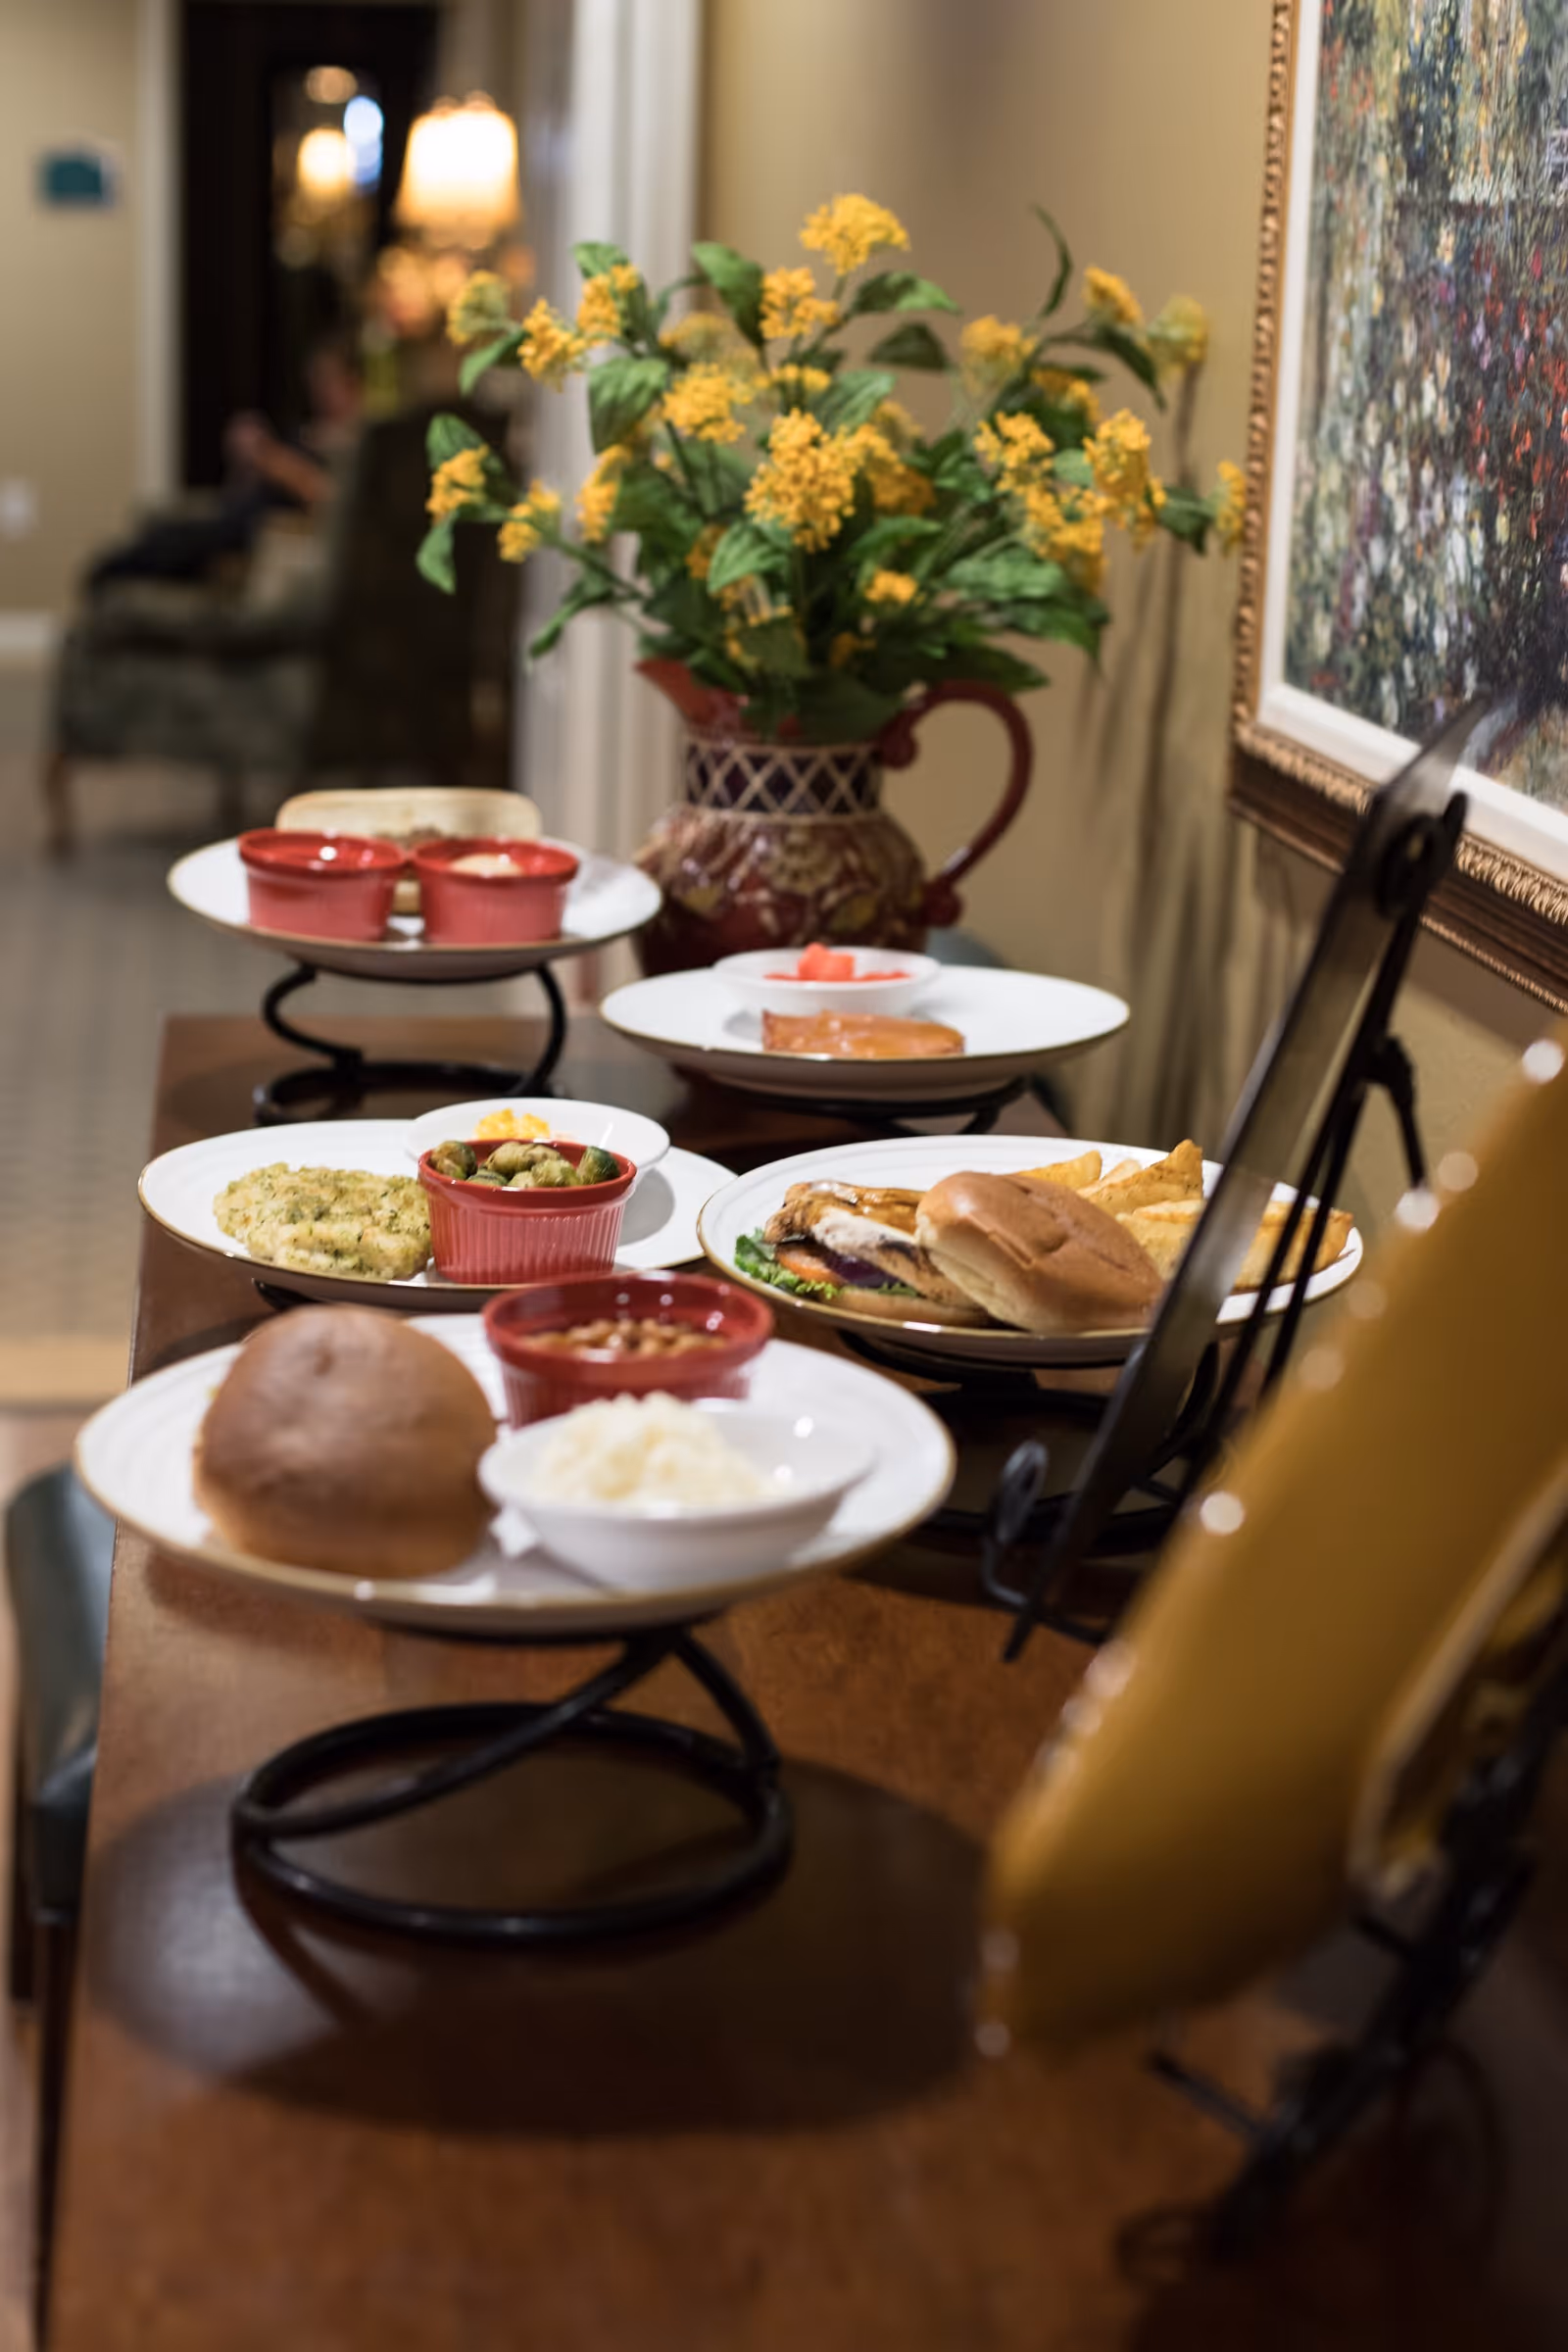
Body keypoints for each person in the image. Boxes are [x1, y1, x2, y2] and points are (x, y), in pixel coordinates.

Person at [86, 335, 365, 590]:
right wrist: (245, 458)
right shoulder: (309, 431)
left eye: (327, 378)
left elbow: (329, 498)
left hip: (265, 529)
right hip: (239, 511)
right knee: (155, 535)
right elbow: (245, 488)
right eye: (314, 378)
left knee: (149, 553)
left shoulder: (357, 437)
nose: (318, 389)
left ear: (351, 381)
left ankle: (107, 583)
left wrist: (269, 457)